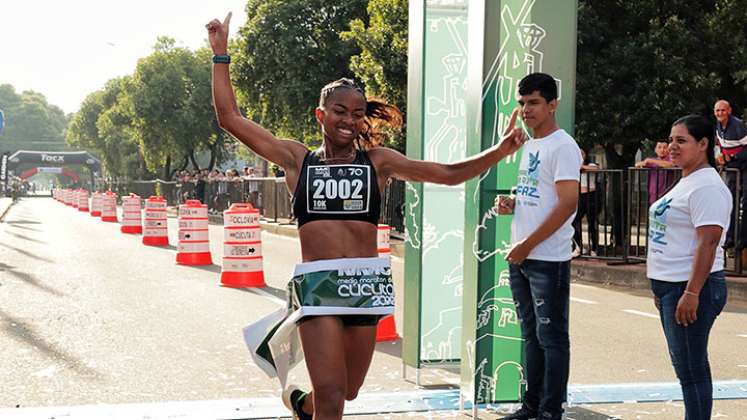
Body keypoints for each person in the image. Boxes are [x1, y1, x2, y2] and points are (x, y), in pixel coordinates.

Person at [205, 13, 526, 420]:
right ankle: (315, 404)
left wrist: (498, 151)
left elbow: (447, 175)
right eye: (340, 112)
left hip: (366, 284)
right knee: (334, 395)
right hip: (319, 286)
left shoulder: (379, 163)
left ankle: (302, 405)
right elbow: (229, 118)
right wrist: (221, 55)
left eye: (357, 114)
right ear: (321, 115)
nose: (349, 121)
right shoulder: (296, 160)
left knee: (348, 392)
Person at [495, 73, 582, 420]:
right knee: (531, 336)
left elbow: (567, 203)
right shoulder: (530, 144)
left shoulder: (563, 145)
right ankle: (530, 407)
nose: (526, 109)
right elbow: (541, 194)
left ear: (552, 104)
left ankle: (550, 411)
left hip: (547, 259)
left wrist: (527, 245)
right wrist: (513, 202)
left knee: (552, 338)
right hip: (523, 257)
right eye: (522, 103)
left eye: (533, 102)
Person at [647, 115, 730, 420]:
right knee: (686, 367)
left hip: (693, 287)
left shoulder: (707, 186)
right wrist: (661, 287)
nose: (672, 146)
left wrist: (692, 292)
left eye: (681, 141)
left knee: (692, 370)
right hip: (673, 287)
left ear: (704, 144)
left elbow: (708, 242)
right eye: (671, 140)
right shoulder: (687, 181)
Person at [713, 100, 747, 250]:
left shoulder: (738, 125)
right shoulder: (718, 127)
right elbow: (722, 146)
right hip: (733, 166)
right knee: (729, 200)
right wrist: (722, 157)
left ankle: (743, 240)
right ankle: (730, 237)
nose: (720, 113)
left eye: (723, 110)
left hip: (744, 164)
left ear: (729, 111)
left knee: (745, 201)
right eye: (717, 111)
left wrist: (732, 158)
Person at [572, 149, 600, 257]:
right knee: (573, 221)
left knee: (591, 223)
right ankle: (579, 246)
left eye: (582, 153)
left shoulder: (590, 164)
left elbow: (597, 168)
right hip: (581, 196)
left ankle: (594, 248)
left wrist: (583, 167)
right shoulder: (574, 166)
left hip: (591, 195)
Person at [635, 140, 676, 205]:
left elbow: (671, 165)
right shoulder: (653, 160)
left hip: (667, 193)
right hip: (654, 193)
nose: (662, 150)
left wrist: (651, 161)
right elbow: (638, 164)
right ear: (655, 149)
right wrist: (643, 163)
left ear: (668, 149)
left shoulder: (671, 159)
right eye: (659, 147)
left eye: (665, 147)